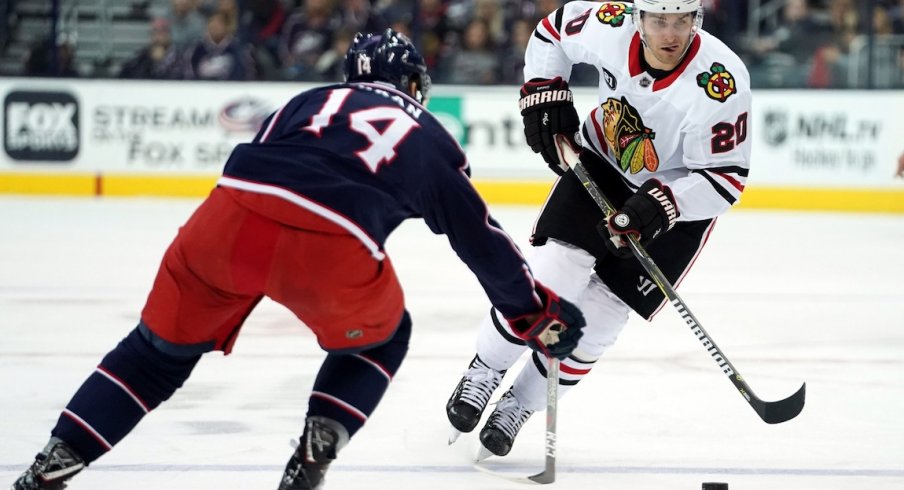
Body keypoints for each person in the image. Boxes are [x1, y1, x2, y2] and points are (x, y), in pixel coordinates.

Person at [11, 28, 586, 490]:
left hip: (225, 222)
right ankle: (318, 443)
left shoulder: (304, 101)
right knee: (380, 339)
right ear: (414, 83)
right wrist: (534, 313)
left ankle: (57, 459)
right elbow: (479, 239)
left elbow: (259, 172)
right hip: (328, 247)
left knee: (151, 357)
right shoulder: (427, 134)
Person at [445, 0, 752, 458]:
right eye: (659, 21)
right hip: (602, 163)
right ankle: (486, 368)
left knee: (600, 319)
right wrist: (544, 88)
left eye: (682, 21)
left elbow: (725, 177)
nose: (671, 34)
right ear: (638, 18)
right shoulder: (608, 23)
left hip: (677, 198)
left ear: (697, 20)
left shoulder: (721, 83)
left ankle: (520, 404)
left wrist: (665, 204)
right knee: (553, 276)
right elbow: (551, 33)